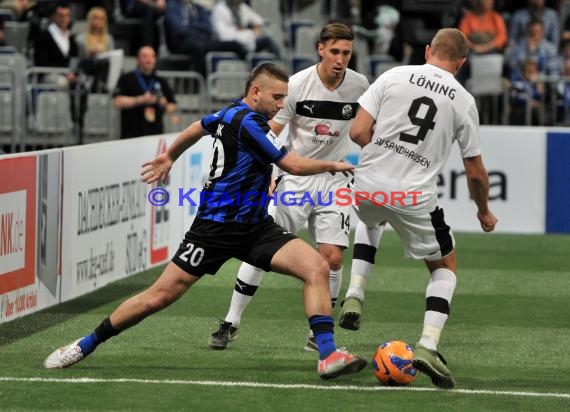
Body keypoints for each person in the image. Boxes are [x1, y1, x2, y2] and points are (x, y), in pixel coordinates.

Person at [43, 63, 368, 380]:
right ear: (256, 92)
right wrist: (331, 165)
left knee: (317, 268)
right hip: (215, 229)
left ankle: (327, 354)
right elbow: (291, 165)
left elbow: (197, 127)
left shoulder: (228, 113)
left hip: (254, 227)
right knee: (159, 296)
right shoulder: (250, 123)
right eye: (277, 97)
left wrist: (171, 156)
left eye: (285, 98)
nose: (283, 105)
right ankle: (86, 343)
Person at [207, 23, 380, 352]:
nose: (340, 59)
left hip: (335, 179)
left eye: (346, 53)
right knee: (260, 250)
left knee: (331, 259)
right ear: (320, 49)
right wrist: (271, 168)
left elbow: (366, 129)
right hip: (295, 176)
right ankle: (231, 321)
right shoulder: (298, 85)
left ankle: (319, 334)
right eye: (334, 52)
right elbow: (270, 130)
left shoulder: (360, 85)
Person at [348, 28, 497, 389]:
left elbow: (357, 131)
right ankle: (428, 345)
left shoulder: (393, 75)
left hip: (366, 183)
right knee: (445, 267)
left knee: (372, 216)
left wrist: (380, 160)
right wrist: (483, 212)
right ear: (460, 63)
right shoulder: (462, 100)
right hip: (413, 196)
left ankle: (354, 293)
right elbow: (475, 172)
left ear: (428, 50)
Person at [164, 0, 247, 76]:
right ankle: (203, 82)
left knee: (236, 45)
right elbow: (179, 29)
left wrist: (190, 26)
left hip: (204, 41)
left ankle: (249, 77)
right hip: (182, 43)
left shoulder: (199, 8)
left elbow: (208, 28)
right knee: (197, 47)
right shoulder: (172, 7)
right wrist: (197, 28)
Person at [113, 46, 177, 139]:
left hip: (155, 134)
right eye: (145, 56)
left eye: (152, 56)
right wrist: (140, 100)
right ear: (138, 59)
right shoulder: (126, 78)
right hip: (131, 134)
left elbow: (172, 106)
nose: (149, 59)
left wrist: (163, 103)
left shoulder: (161, 81)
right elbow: (117, 102)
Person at [210, 0, 281, 59]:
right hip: (231, 45)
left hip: (247, 41)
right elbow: (224, 37)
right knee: (238, 46)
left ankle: (278, 66)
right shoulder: (219, 10)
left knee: (267, 40)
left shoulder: (242, 7)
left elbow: (258, 21)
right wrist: (247, 33)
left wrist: (255, 30)